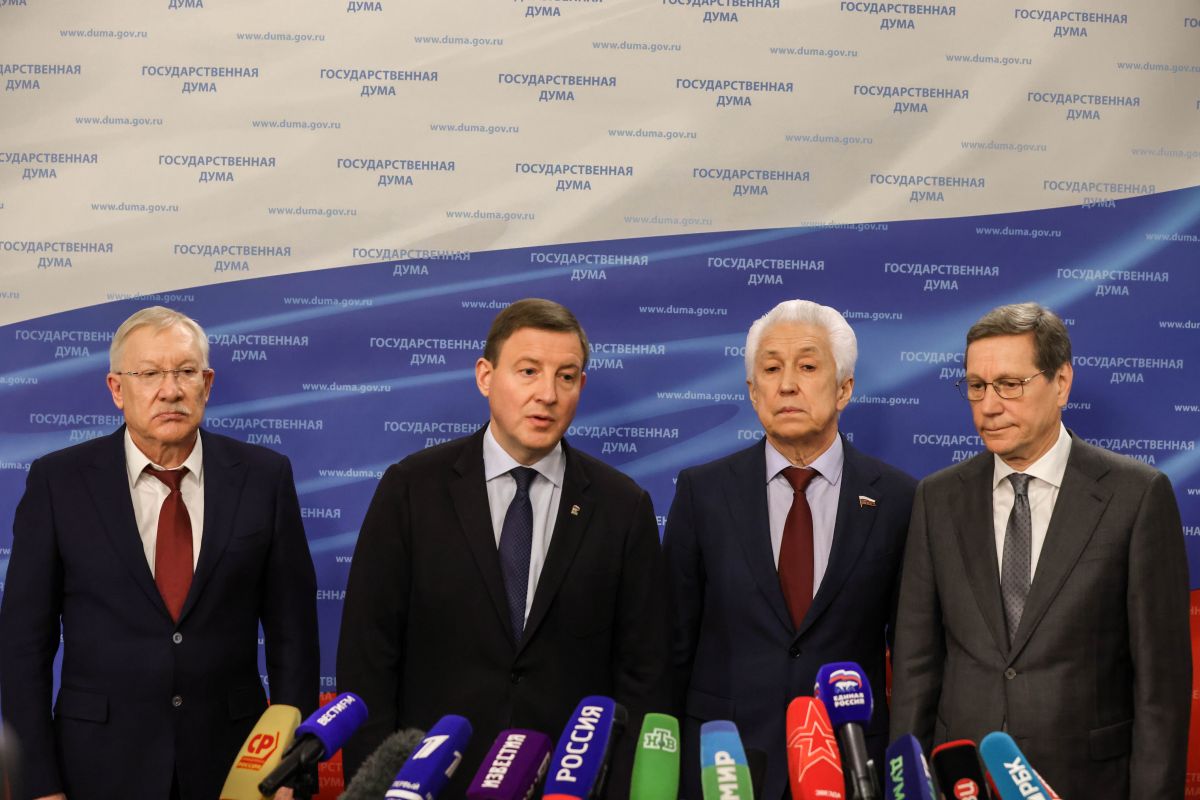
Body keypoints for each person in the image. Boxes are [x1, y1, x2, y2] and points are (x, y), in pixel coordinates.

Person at [337, 298, 669, 795]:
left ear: (581, 386)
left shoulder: (622, 506)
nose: (547, 394)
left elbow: (644, 675)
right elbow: (368, 658)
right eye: (529, 371)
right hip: (431, 783)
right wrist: (375, 786)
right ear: (486, 377)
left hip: (566, 786)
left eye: (566, 377)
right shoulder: (411, 489)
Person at [0, 306, 320, 800]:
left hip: (235, 765)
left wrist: (292, 771)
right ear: (117, 389)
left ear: (206, 384)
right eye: (149, 374)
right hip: (96, 767)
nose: (170, 390)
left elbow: (293, 638)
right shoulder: (58, 482)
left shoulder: (264, 477)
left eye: (186, 372)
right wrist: (38, 784)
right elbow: (24, 646)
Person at [889, 302, 1190, 797]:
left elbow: (1162, 689)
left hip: (1087, 782)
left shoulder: (1136, 496)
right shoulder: (937, 498)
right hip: (962, 780)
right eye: (977, 386)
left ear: (1061, 383)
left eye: (1010, 384)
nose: (989, 405)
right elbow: (916, 668)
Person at [664, 299, 916, 800]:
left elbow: (913, 654)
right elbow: (671, 644)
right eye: (771, 369)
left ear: (844, 388)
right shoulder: (703, 492)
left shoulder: (899, 499)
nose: (787, 385)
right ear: (752, 391)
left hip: (848, 762)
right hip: (724, 762)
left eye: (807, 366)